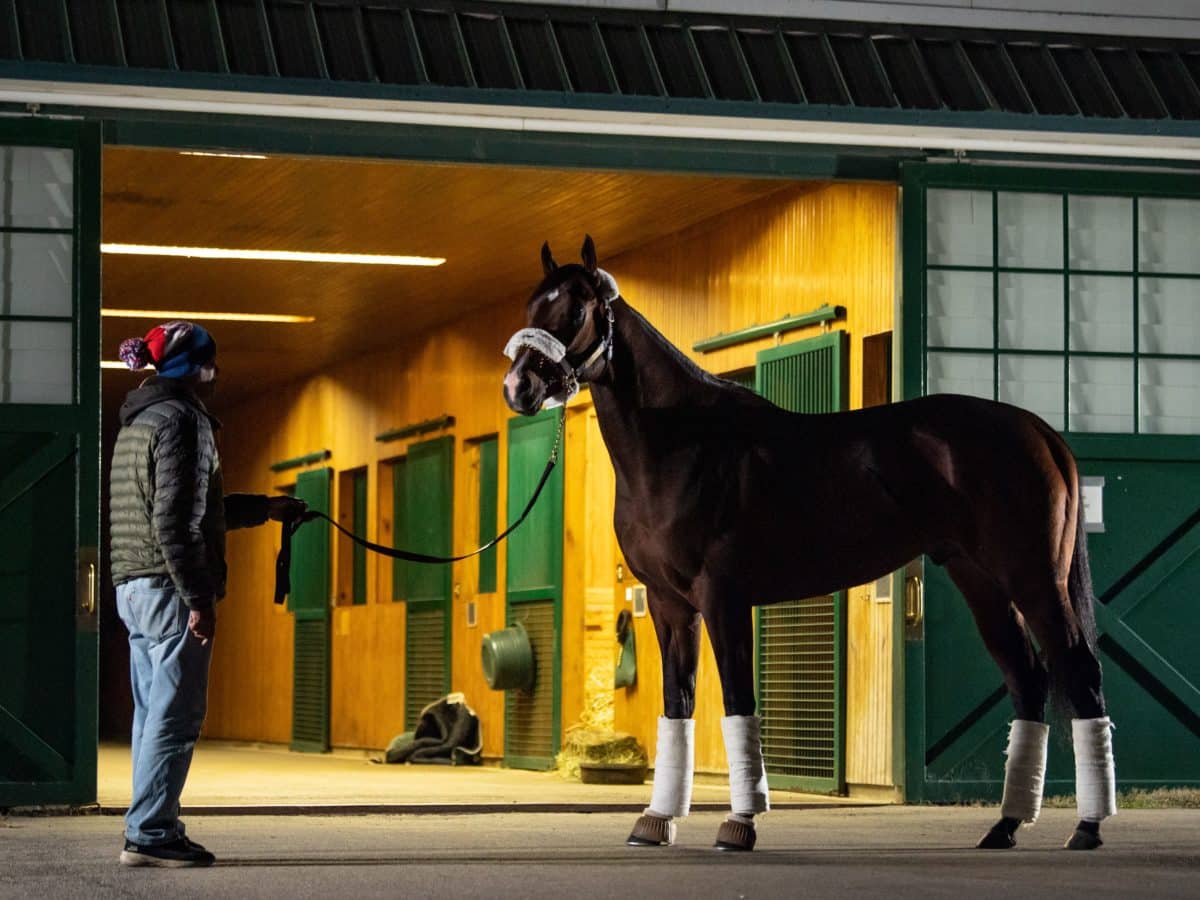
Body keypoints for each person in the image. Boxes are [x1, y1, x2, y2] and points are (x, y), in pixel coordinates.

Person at [109, 321, 305, 867]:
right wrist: (198, 598)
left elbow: (184, 511)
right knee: (176, 715)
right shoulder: (185, 423)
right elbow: (175, 522)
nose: (217, 373)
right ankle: (149, 833)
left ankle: (152, 823)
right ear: (198, 369)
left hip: (135, 585)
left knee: (152, 714)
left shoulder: (139, 422)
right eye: (212, 363)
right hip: (172, 589)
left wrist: (265, 508)